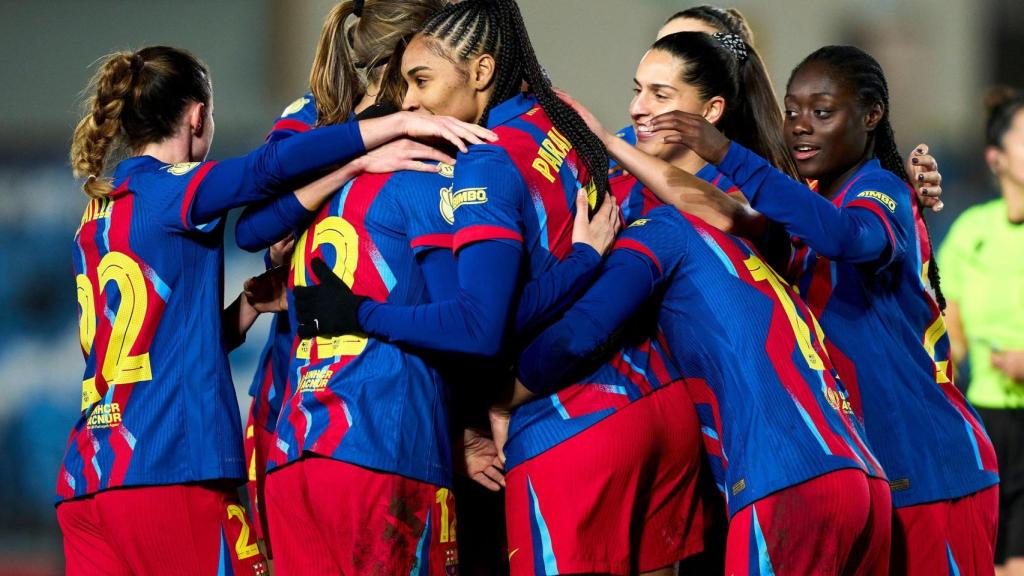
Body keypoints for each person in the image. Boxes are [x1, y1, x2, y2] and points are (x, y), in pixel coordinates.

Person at [56, 44, 493, 576]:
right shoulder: (171, 189)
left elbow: (153, 351)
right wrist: (384, 133)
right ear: (197, 115)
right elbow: (267, 169)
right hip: (165, 468)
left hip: (86, 482)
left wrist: (248, 305)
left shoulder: (98, 212)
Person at [665, 44, 1000, 574]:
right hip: (867, 473)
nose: (801, 125)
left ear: (871, 116)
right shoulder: (812, 204)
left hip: (931, 469)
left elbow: (846, 237)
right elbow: (741, 217)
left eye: (822, 112)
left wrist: (726, 153)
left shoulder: (881, 190)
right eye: (792, 112)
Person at [233, 0, 450, 557]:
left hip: (307, 409)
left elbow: (256, 229)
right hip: (343, 403)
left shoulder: (320, 118)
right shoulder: (323, 119)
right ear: (412, 54)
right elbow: (254, 229)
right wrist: (354, 160)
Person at [940, 86, 1024, 576]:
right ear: (996, 159)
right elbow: (949, 325)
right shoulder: (971, 231)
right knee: (986, 558)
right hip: (987, 420)